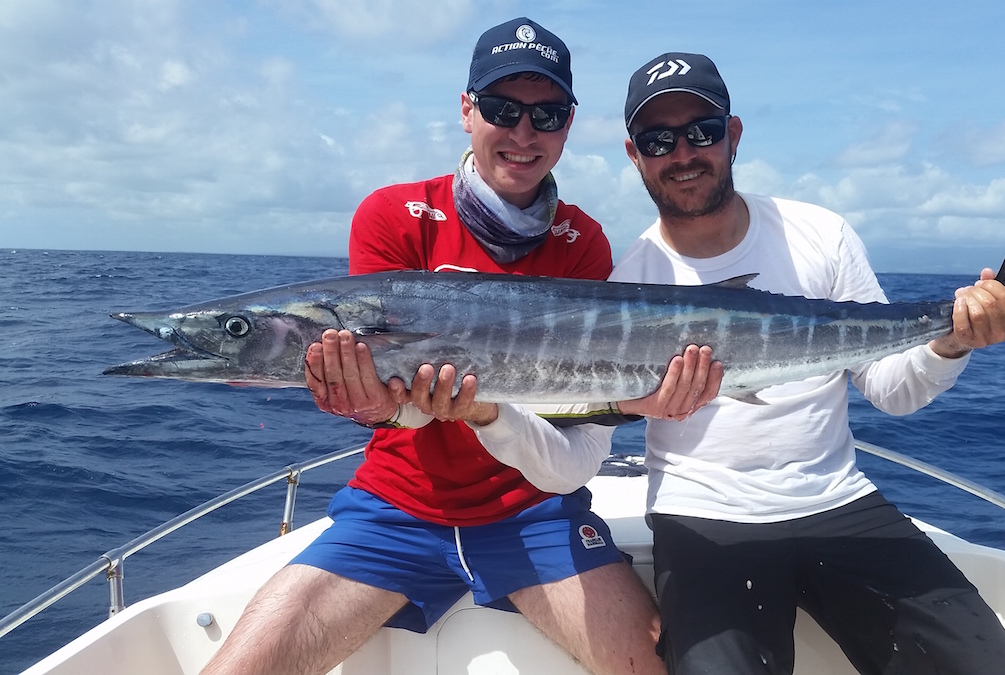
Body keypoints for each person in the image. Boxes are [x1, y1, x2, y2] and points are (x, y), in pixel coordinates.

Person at [201, 22, 718, 675]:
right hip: (395, 506)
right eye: (503, 110)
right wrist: (363, 403)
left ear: (568, 124)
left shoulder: (581, 241)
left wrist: (629, 403)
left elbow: (578, 403)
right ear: (467, 108)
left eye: (547, 114)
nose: (524, 134)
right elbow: (385, 397)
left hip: (535, 509)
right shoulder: (392, 215)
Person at [610, 52, 1005, 675]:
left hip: (840, 503)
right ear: (635, 154)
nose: (682, 153)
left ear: (733, 134)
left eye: (701, 131)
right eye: (659, 140)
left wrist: (952, 341)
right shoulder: (629, 279)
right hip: (703, 516)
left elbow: (892, 390)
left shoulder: (819, 234)